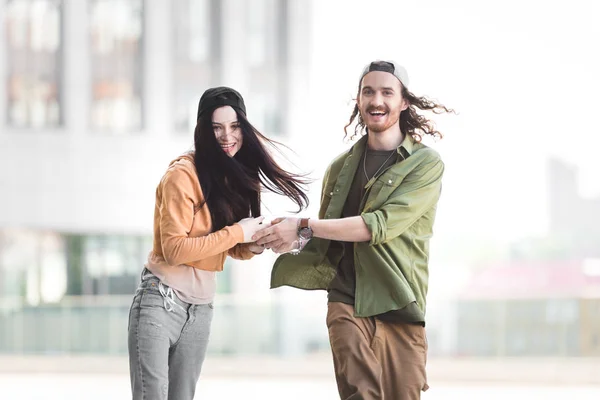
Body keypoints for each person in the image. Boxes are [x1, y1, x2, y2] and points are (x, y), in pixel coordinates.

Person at [253, 60, 455, 399]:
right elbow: (326, 234)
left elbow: (378, 226)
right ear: (359, 101)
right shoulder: (339, 168)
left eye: (387, 92)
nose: (377, 100)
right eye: (368, 92)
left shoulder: (424, 164)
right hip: (346, 300)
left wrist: (303, 224)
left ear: (404, 101)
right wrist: (280, 235)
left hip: (398, 302)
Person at [127, 86, 309, 400]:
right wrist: (239, 232)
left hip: (200, 310)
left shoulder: (230, 174)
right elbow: (175, 250)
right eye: (217, 127)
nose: (227, 136)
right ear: (203, 131)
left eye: (235, 126)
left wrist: (254, 241)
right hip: (161, 302)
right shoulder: (181, 176)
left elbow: (226, 244)